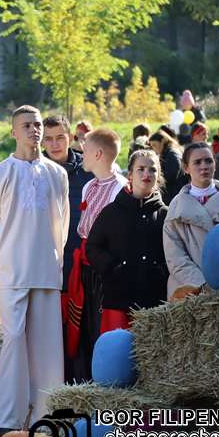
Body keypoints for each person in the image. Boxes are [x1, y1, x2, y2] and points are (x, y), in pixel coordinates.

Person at [0, 105, 69, 436]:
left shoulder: (57, 174)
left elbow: (62, 224)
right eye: (27, 125)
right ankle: (7, 419)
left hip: (46, 269)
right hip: (11, 271)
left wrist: (55, 261)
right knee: (13, 343)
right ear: (14, 131)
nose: (35, 130)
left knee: (48, 350)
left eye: (38, 124)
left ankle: (47, 418)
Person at [65, 128, 128, 383]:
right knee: (85, 326)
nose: (82, 153)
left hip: (104, 267)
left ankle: (106, 379)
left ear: (99, 154)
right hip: (85, 266)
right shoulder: (89, 185)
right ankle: (85, 379)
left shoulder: (120, 188)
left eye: (86, 149)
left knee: (104, 325)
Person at [86, 150, 168, 332]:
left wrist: (161, 270)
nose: (147, 174)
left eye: (152, 170)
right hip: (118, 300)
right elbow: (93, 247)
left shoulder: (166, 215)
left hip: (155, 301)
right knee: (119, 355)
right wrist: (113, 267)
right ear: (130, 174)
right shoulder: (111, 212)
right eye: (140, 169)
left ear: (158, 175)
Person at [164, 142, 219, 301]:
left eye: (208, 161)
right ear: (186, 168)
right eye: (197, 162)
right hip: (190, 292)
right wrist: (203, 284)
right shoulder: (175, 209)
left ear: (215, 164)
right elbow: (175, 256)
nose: (204, 166)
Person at [41, 115, 93, 379]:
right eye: (48, 138)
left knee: (82, 328)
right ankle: (53, 384)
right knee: (52, 332)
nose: (54, 144)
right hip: (46, 263)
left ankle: (81, 383)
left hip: (80, 262)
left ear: (71, 137)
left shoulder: (88, 170)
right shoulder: (35, 170)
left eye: (60, 137)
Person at [149, 130, 187, 205]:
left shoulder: (172, 154)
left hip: (174, 196)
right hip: (173, 195)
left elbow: (171, 176)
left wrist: (156, 179)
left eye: (154, 145)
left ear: (163, 141)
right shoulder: (167, 154)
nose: (153, 148)